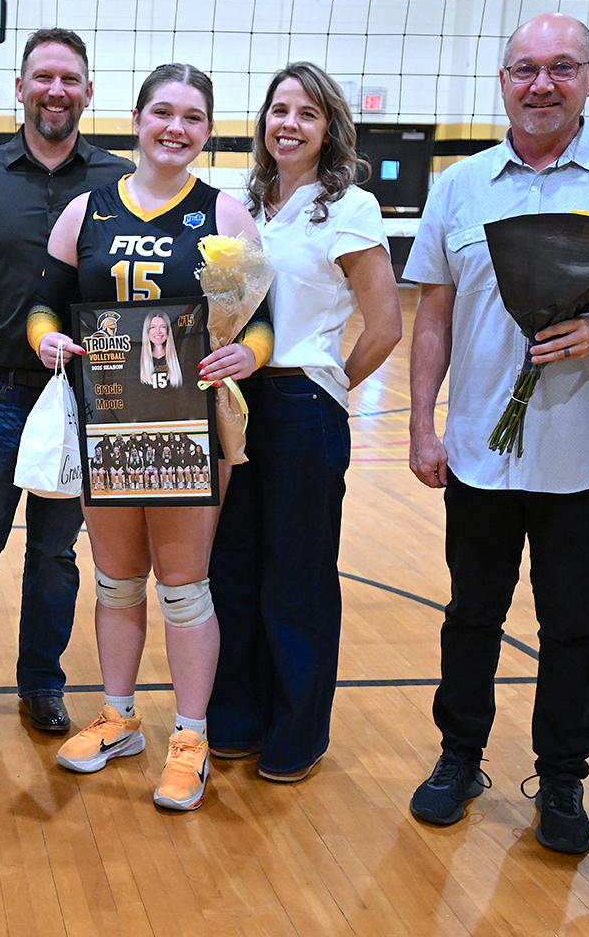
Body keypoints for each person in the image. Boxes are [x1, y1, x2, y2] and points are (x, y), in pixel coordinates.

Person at [404, 13, 589, 853]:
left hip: (584, 454)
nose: (542, 84)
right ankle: (459, 758)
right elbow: (434, 317)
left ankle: (562, 780)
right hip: (482, 450)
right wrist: (424, 423)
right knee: (470, 615)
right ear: (503, 81)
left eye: (562, 68)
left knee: (568, 624)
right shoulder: (463, 184)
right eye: (525, 68)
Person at [33, 63, 271, 811]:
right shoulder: (85, 212)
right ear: (137, 119)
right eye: (162, 112)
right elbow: (45, 307)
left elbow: (262, 318)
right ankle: (119, 717)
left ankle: (191, 736)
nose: (176, 127)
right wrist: (47, 342)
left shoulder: (226, 215)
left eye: (193, 117)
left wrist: (249, 353)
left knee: (186, 587)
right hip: (108, 418)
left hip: (189, 426)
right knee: (115, 581)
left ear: (207, 131)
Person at [0, 28, 132, 735]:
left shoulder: (119, 181)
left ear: (88, 92)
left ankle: (43, 682)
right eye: (42, 77)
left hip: (86, 398)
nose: (55, 90)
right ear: (20, 88)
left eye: (70, 79)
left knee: (54, 552)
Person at [208, 62, 402, 784]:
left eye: (307, 113)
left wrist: (328, 387)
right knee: (230, 570)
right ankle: (234, 722)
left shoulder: (346, 205)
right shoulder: (242, 205)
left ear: (329, 129)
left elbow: (385, 326)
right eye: (279, 109)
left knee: (297, 581)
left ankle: (294, 738)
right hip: (234, 405)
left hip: (300, 408)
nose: (288, 123)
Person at [138, 310, 183, 388]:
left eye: (163, 327)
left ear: (168, 330)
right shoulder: (136, 361)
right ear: (147, 331)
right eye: (153, 327)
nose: (158, 331)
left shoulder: (181, 358)